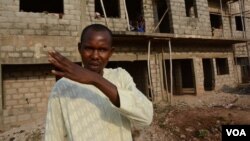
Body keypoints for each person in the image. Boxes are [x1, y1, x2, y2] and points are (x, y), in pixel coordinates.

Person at [45, 24, 153, 141]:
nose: (95, 56)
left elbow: (146, 117)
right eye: (88, 48)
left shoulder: (120, 76)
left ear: (111, 53)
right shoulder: (62, 87)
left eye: (102, 50)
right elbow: (53, 136)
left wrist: (95, 79)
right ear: (79, 48)